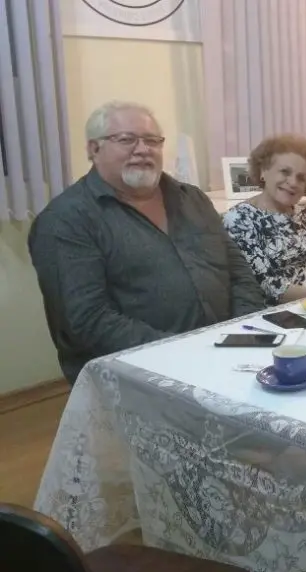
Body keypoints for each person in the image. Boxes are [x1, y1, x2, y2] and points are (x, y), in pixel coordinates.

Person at [29, 101, 265, 384]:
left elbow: (239, 273)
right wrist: (191, 353)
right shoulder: (66, 220)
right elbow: (87, 321)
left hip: (229, 357)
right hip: (135, 377)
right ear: (94, 149)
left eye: (152, 141)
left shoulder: (192, 199)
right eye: (126, 139)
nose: (143, 150)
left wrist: (244, 333)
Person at [224, 134, 306, 304]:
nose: (293, 182)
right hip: (285, 313)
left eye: (301, 178)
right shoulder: (239, 220)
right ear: (263, 171)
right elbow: (269, 286)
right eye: (285, 172)